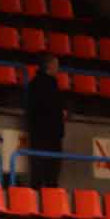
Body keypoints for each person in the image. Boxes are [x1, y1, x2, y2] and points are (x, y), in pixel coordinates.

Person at [25, 55, 68, 190]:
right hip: (49, 133)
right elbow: (51, 107)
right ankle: (49, 197)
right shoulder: (49, 84)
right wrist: (60, 113)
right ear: (50, 67)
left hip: (38, 132)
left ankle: (36, 195)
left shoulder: (34, 84)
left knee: (38, 168)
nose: (58, 69)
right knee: (51, 170)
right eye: (56, 65)